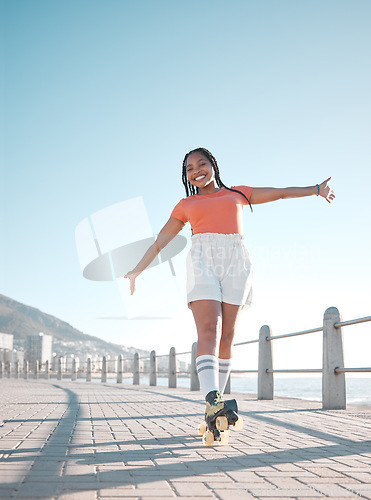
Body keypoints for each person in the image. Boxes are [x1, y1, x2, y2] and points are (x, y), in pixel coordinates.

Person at [124, 147, 335, 427]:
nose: (196, 170)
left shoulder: (239, 194)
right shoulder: (185, 205)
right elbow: (161, 242)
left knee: (228, 336)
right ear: (186, 175)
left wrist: (316, 189)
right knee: (208, 329)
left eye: (202, 164)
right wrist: (137, 270)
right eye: (190, 168)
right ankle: (213, 400)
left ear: (213, 165)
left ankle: (214, 407)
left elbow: (281, 192)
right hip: (203, 261)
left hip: (236, 261)